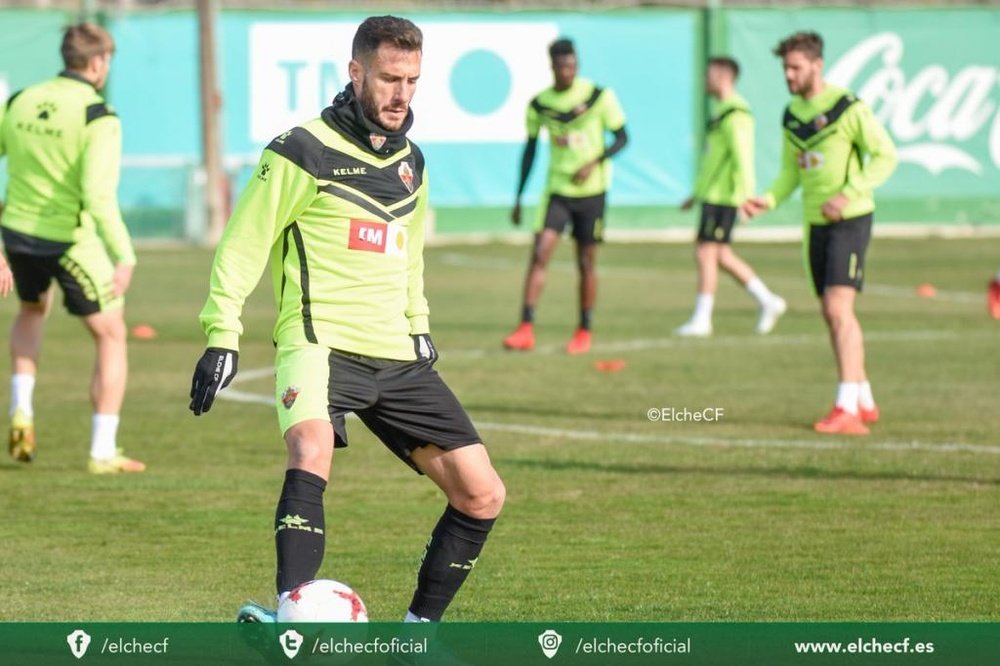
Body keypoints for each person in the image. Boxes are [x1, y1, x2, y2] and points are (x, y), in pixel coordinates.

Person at [189, 15, 505, 623]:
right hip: (319, 342)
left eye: (412, 80)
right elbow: (243, 244)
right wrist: (221, 334)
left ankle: (415, 639)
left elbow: (410, 254)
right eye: (389, 78)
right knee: (310, 450)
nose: (401, 94)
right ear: (356, 72)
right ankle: (291, 617)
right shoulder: (299, 149)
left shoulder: (413, 160)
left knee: (483, 492)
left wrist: (418, 322)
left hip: (396, 352)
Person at [0, 23, 143, 472]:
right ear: (99, 62)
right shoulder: (98, 115)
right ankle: (102, 450)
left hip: (16, 233)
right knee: (112, 333)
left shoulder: (19, 99)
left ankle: (21, 410)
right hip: (68, 240)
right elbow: (97, 195)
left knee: (31, 310)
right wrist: (125, 254)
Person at [742, 31, 897, 435]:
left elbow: (886, 154)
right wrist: (768, 200)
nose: (789, 75)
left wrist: (849, 194)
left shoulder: (847, 107)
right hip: (814, 224)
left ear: (817, 65)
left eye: (795, 67)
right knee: (833, 315)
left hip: (850, 219)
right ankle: (862, 397)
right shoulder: (792, 114)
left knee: (837, 309)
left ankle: (845, 407)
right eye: (785, 68)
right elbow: (791, 172)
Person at [503, 38, 628, 355]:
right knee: (540, 253)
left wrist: (594, 161)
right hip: (557, 192)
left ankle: (584, 330)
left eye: (573, 66)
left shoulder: (599, 96)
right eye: (563, 67)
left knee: (585, 261)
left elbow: (623, 137)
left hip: (592, 193)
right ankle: (525, 328)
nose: (569, 71)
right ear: (553, 68)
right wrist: (518, 197)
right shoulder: (540, 105)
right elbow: (530, 151)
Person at [676, 56, 786, 337]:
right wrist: (697, 194)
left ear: (724, 77)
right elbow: (715, 161)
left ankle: (702, 319)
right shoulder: (721, 111)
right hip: (712, 195)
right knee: (720, 255)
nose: (704, 80)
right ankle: (768, 301)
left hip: (725, 198)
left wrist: (745, 198)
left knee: (705, 252)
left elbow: (742, 157)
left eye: (708, 75)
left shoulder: (736, 114)